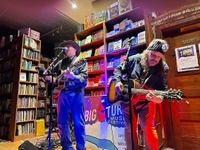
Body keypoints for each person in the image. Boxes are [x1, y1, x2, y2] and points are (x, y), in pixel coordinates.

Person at [113, 39, 169, 150]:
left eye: (159, 57)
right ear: (147, 51)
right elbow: (118, 70)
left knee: (148, 128)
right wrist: (118, 81)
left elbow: (162, 90)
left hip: (147, 102)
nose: (155, 59)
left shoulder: (163, 68)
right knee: (129, 128)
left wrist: (157, 99)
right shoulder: (134, 59)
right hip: (128, 100)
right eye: (153, 55)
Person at [44, 40, 88, 150]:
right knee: (62, 122)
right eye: (65, 47)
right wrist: (45, 75)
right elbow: (55, 79)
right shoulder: (61, 62)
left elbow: (84, 81)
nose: (66, 48)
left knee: (78, 123)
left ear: (75, 49)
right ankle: (67, 147)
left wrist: (73, 76)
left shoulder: (81, 61)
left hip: (77, 93)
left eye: (69, 46)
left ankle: (81, 148)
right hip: (63, 94)